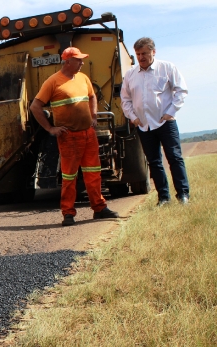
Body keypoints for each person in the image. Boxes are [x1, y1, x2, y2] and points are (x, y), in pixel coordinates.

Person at [30, 46, 119, 226]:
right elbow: (35, 107)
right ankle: (68, 213)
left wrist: (93, 116)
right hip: (69, 137)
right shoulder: (53, 82)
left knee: (93, 173)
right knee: (69, 177)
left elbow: (92, 96)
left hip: (88, 135)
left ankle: (99, 208)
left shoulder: (83, 78)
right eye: (79, 60)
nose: (82, 63)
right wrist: (50, 129)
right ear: (68, 61)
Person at [121, 37, 190, 206]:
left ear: (153, 51)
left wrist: (170, 112)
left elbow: (181, 91)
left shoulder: (167, 68)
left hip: (165, 123)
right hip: (144, 126)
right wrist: (133, 118)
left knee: (174, 157)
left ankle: (183, 195)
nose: (141, 57)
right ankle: (164, 198)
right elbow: (125, 99)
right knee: (154, 162)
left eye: (144, 53)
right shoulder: (130, 74)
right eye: (138, 54)